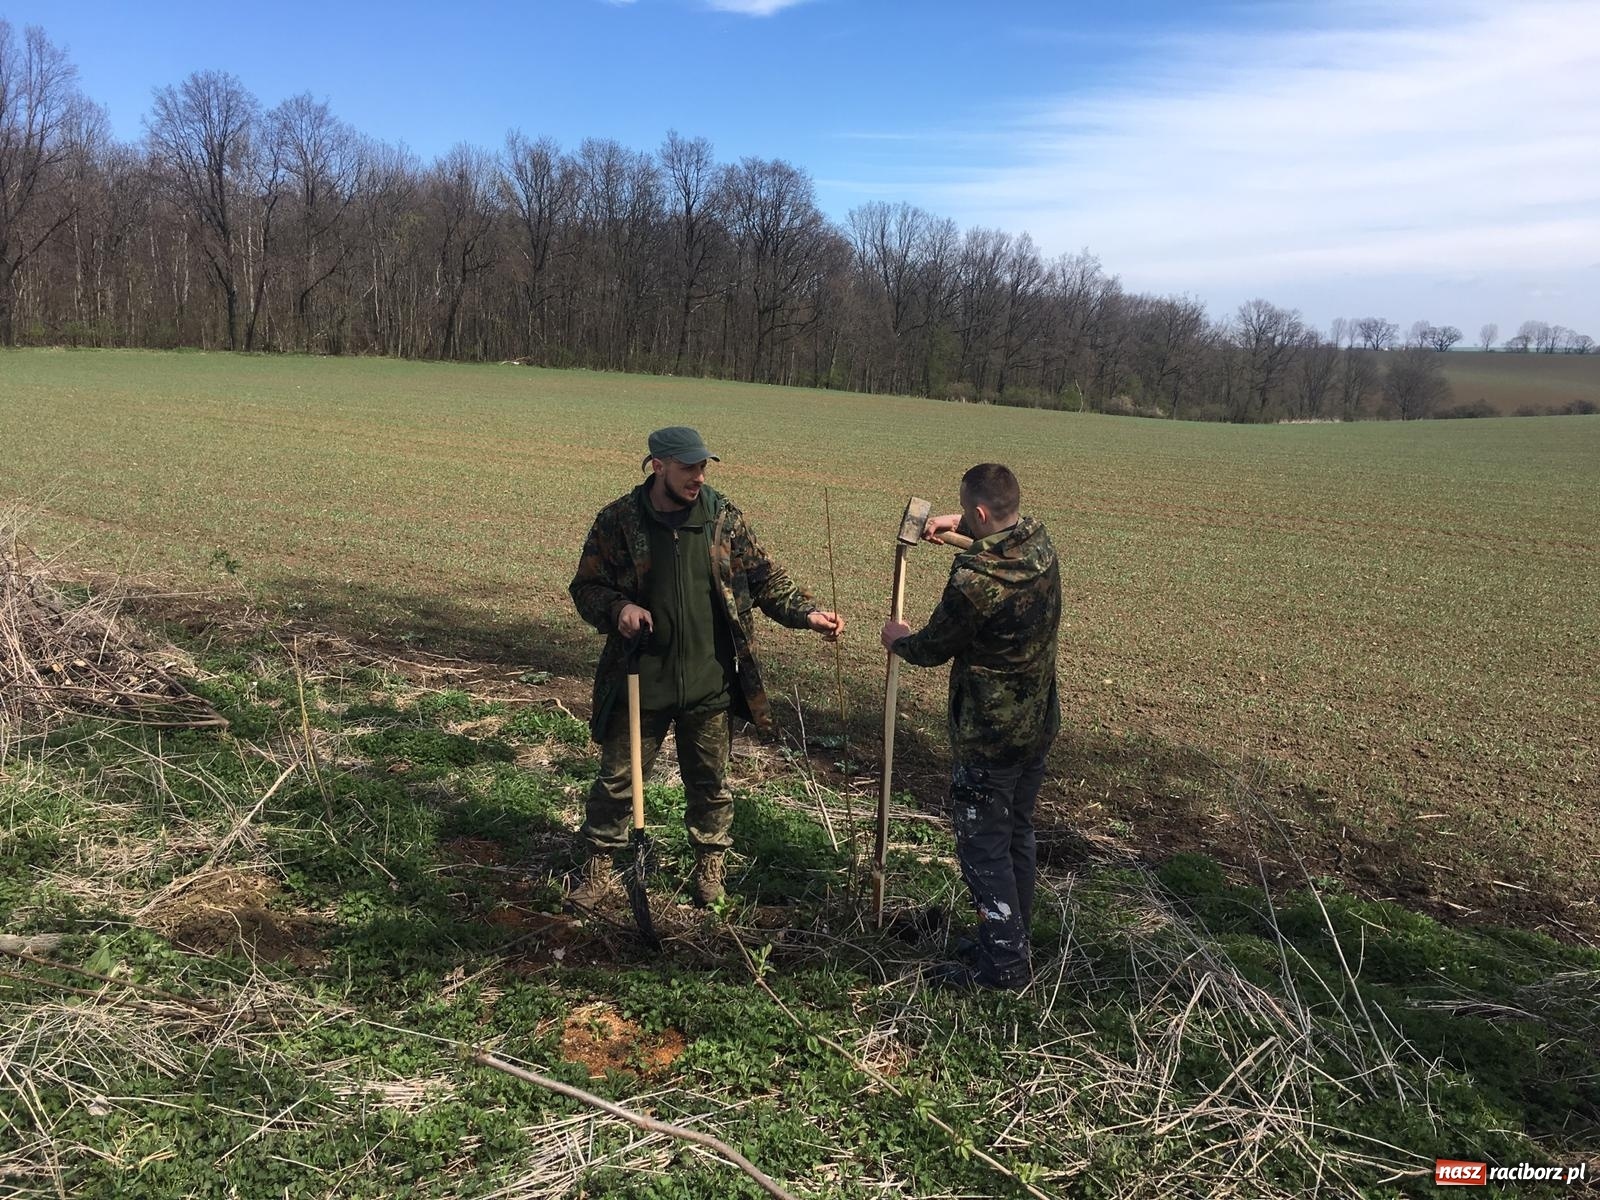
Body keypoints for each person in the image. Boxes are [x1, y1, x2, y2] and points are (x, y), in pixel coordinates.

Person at [567, 426, 845, 909]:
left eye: (702, 467)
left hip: (709, 683)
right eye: (688, 467)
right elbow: (586, 588)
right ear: (658, 466)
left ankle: (710, 868)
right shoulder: (619, 521)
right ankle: (599, 870)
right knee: (617, 783)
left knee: (710, 784)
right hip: (640, 682)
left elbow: (765, 579)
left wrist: (808, 614)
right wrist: (618, 609)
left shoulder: (723, 520)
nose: (698, 476)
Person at [881, 463, 1061, 990]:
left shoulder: (975, 581)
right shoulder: (1039, 545)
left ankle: (1003, 967)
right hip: (1036, 726)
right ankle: (1013, 937)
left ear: (981, 512)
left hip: (989, 735)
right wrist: (956, 522)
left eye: (968, 511)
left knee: (983, 847)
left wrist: (898, 639)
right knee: (1017, 835)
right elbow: (995, 539)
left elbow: (934, 646)